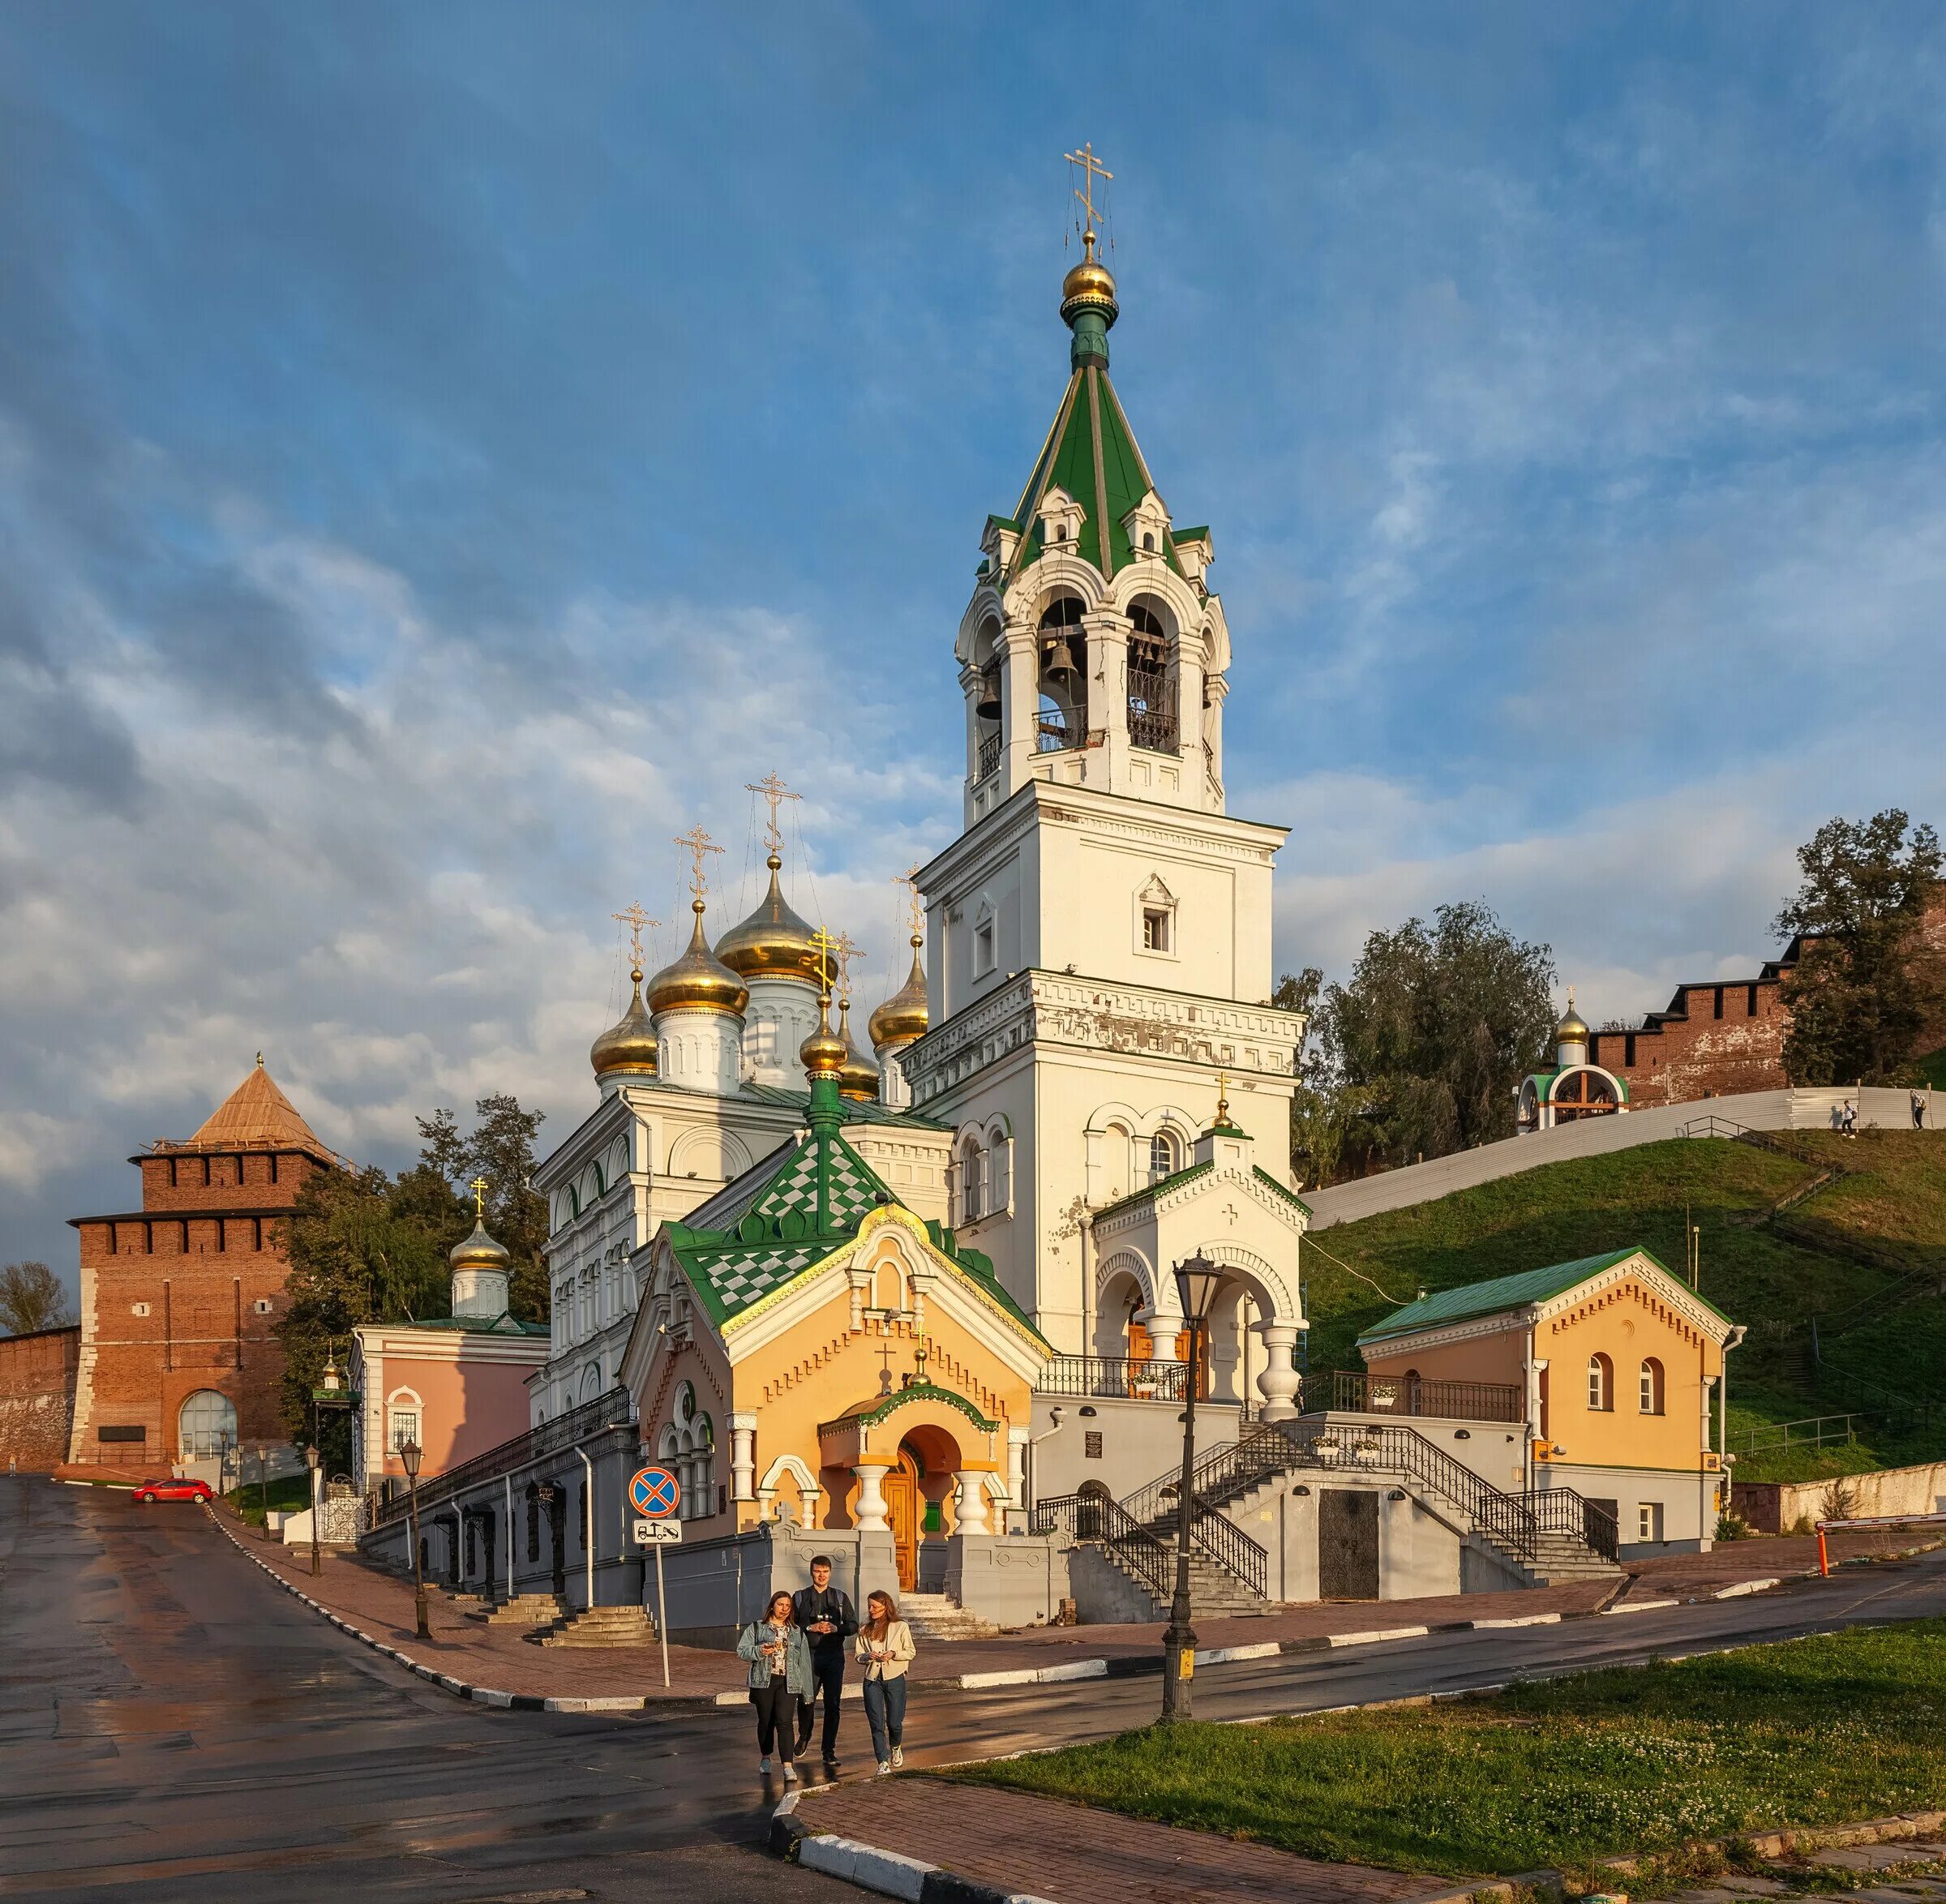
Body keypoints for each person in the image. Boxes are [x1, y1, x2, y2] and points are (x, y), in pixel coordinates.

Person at [737, 1589, 812, 1780]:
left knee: (785, 1722)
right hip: (764, 1682)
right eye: (781, 1605)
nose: (784, 1609)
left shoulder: (796, 1632)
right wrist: (760, 1650)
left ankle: (788, 1766)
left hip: (789, 1682)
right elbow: (742, 1651)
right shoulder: (757, 1628)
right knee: (766, 1722)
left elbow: (804, 1663)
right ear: (772, 1605)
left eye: (788, 1606)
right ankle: (766, 1757)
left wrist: (807, 1693)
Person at [792, 1555, 858, 1764]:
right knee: (806, 1701)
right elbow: (790, 1627)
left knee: (833, 1705)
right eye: (817, 1571)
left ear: (830, 1573)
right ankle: (804, 1736)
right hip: (808, 1658)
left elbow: (853, 1625)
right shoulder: (800, 1597)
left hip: (833, 1658)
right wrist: (810, 1628)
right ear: (811, 1572)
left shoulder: (840, 1598)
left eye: (825, 1572)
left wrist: (836, 1628)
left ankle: (828, 1750)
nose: (821, 1575)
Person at [855, 1588, 916, 1776]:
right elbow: (858, 1656)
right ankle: (882, 1762)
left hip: (895, 1678)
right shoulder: (864, 1630)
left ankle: (895, 1746)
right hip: (872, 1681)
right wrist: (868, 1656)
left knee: (895, 1722)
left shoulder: (900, 1627)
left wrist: (894, 1654)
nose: (871, 1610)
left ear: (885, 1606)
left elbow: (911, 1652)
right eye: (869, 1606)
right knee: (876, 1723)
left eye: (874, 1606)